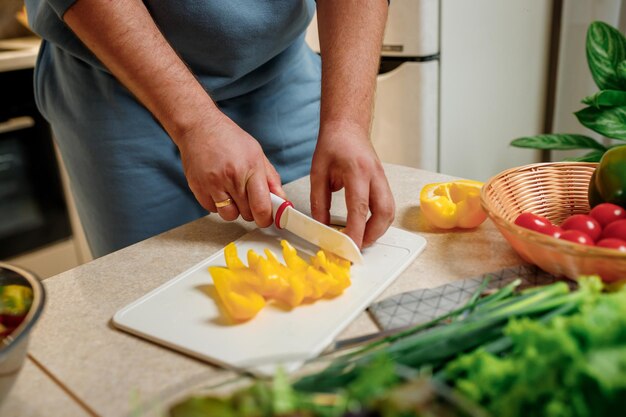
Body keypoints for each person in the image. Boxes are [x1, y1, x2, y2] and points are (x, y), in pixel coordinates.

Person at [24, 0, 395, 258]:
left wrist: (347, 123)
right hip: (118, 82)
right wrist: (195, 123)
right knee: (153, 291)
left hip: (280, 73)